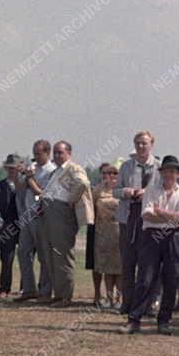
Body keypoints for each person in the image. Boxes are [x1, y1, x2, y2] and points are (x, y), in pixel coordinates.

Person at [122, 156, 179, 335]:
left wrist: (161, 211)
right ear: (161, 173)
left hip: (174, 237)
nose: (169, 174)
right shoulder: (151, 190)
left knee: (171, 279)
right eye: (166, 170)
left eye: (173, 171)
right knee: (145, 278)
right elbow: (146, 216)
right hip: (151, 236)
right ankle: (134, 319)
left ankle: (164, 321)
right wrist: (171, 216)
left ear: (178, 174)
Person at [36, 141, 92, 307]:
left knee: (62, 255)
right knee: (50, 254)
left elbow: (83, 183)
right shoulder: (56, 171)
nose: (57, 156)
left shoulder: (73, 168)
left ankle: (65, 296)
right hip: (48, 212)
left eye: (60, 152)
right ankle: (58, 293)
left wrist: (71, 200)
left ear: (68, 153)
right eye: (55, 152)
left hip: (61, 213)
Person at [114, 131, 160, 315]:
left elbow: (165, 191)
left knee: (149, 264)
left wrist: (146, 193)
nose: (141, 146)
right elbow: (114, 191)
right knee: (127, 262)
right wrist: (125, 191)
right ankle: (127, 302)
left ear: (151, 145)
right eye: (138, 143)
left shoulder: (159, 167)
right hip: (128, 218)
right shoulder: (126, 167)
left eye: (145, 143)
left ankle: (148, 303)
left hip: (151, 220)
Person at [15, 140, 56, 302]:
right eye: (34, 153)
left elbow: (41, 193)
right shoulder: (33, 169)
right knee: (23, 253)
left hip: (42, 217)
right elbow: (19, 189)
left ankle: (45, 290)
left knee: (44, 256)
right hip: (27, 216)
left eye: (38, 153)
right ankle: (29, 288)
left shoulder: (51, 171)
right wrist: (20, 176)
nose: (35, 156)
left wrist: (30, 178)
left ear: (47, 153)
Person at [91, 163, 122, 309]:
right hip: (103, 233)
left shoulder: (123, 189)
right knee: (108, 268)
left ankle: (119, 298)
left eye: (114, 173)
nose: (110, 176)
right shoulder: (98, 189)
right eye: (107, 173)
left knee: (120, 268)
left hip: (120, 232)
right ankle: (109, 298)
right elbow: (90, 207)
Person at [0, 155, 21, 299]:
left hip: (23, 223)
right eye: (9, 168)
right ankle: (4, 288)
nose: (12, 170)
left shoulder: (25, 184)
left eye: (14, 168)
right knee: (7, 259)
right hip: (7, 225)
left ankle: (25, 288)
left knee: (26, 257)